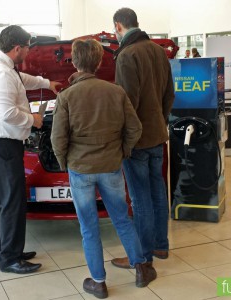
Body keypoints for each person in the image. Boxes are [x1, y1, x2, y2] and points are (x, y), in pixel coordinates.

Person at [51, 39, 157, 299]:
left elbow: (58, 139)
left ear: (74, 62)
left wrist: (65, 163)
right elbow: (135, 129)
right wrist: (122, 151)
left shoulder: (66, 97)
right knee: (121, 219)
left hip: (81, 169)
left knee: (88, 227)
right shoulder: (116, 92)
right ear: (99, 62)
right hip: (111, 166)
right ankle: (141, 268)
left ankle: (98, 282)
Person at [0, 25, 61, 274]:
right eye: (28, 48)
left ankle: (3, 250)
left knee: (0, 200)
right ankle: (10, 258)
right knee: (11, 201)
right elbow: (8, 113)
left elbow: (22, 81)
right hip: (0, 146)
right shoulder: (0, 72)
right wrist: (33, 119)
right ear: (17, 47)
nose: (29, 53)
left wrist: (47, 82)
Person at [111, 8, 175, 269]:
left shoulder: (127, 55)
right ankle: (161, 245)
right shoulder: (158, 50)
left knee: (140, 197)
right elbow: (170, 93)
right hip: (158, 134)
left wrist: (124, 137)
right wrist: (160, 119)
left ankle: (142, 254)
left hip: (136, 140)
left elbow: (128, 103)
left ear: (118, 26)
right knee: (158, 191)